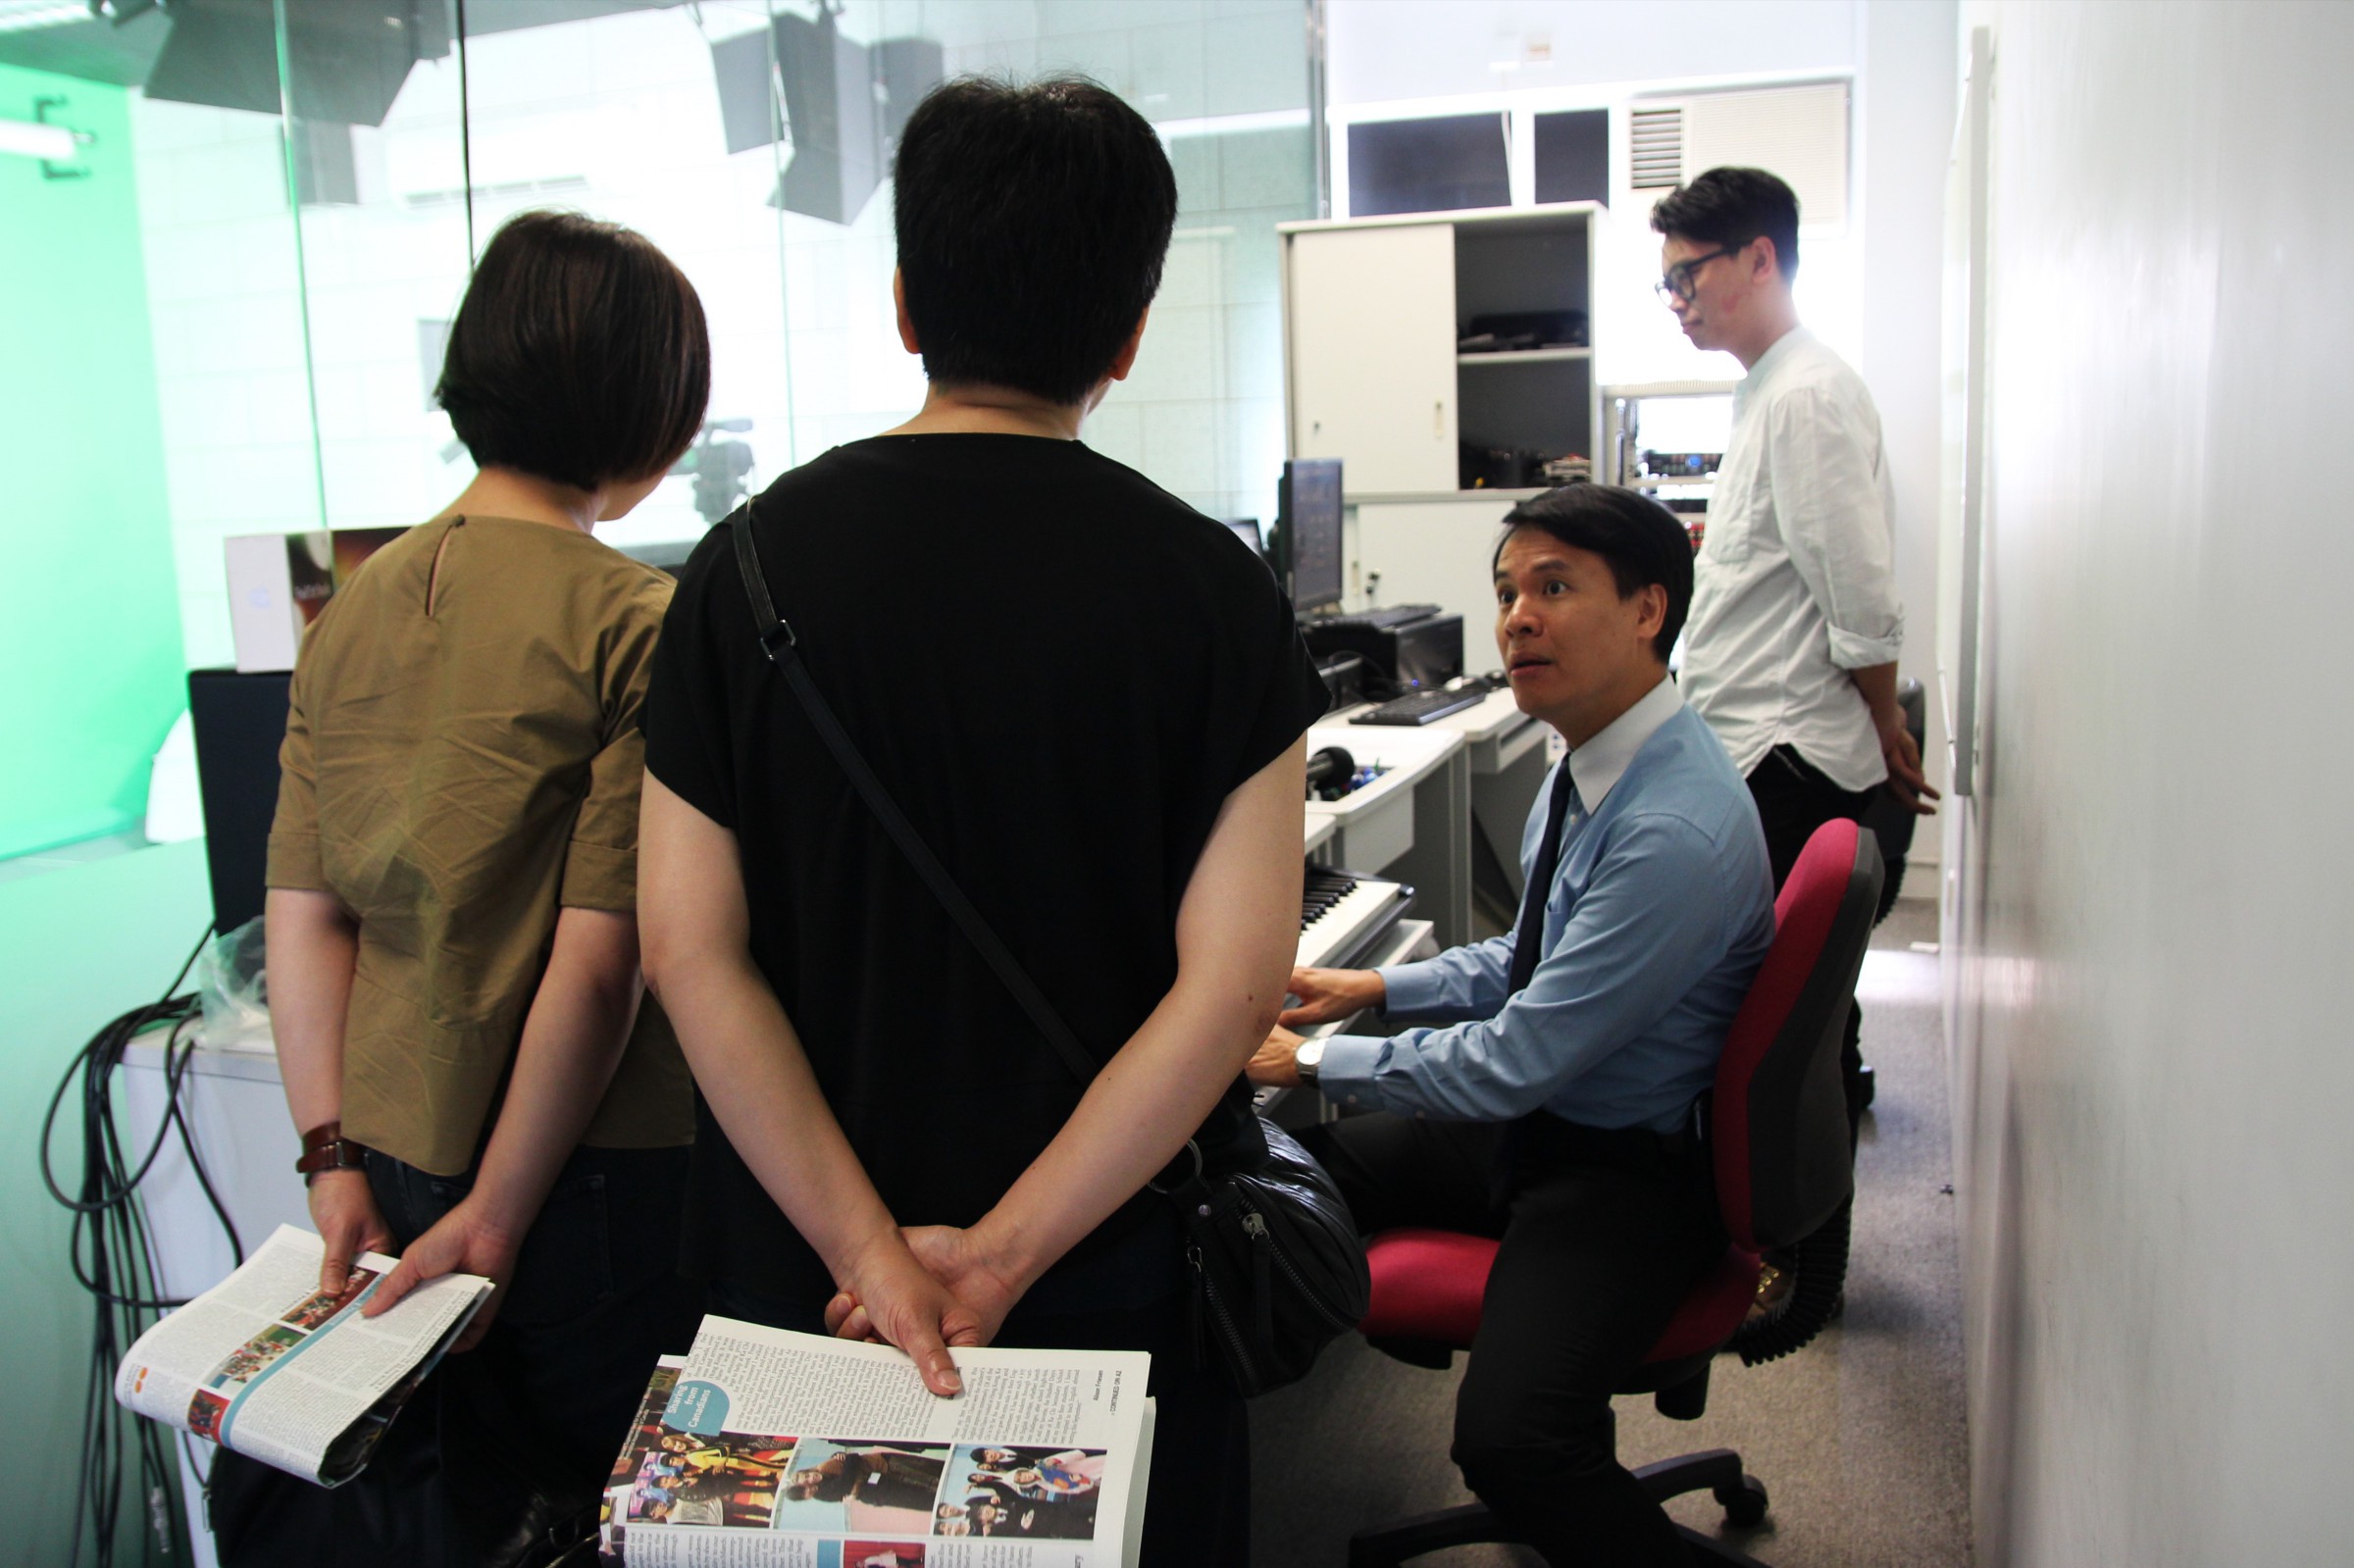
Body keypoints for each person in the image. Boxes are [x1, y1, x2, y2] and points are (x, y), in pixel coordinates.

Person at [636, 76, 1324, 1568]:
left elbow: (689, 950)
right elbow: (1236, 981)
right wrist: (999, 1257)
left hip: (806, 1289)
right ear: (1129, 334)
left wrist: (870, 1255)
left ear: (904, 303)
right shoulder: (1216, 592)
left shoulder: (735, 574)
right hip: (1109, 1273)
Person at [262, 209, 710, 1552]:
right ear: (651, 418)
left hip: (394, 1157)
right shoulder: (639, 620)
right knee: (618, 1515)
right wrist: (501, 1218)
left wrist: (332, 1159)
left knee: (472, 1512)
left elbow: (305, 914)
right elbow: (603, 962)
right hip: (586, 1177)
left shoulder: (346, 615)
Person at [1248, 484, 1775, 1568]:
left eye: (1555, 587)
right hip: (1556, 1123)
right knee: (1294, 1174)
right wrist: (1376, 988)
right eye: (1506, 593)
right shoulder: (1592, 763)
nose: (1517, 619)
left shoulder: (1669, 829)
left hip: (1625, 1171)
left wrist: (1311, 1059)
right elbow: (1533, 960)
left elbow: (1516, 1057)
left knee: (1514, 1445)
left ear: (1648, 610)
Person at [1649, 165, 1936, 1126]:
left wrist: (1885, 720)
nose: (1677, 300)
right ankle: (1811, 1167)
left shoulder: (1805, 396)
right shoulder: (1769, 391)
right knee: (1800, 1002)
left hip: (1788, 754)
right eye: (1667, 283)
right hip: (1763, 746)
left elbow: (1859, 593)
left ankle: (1801, 1197)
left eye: (1689, 275)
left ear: (1761, 259)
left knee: (1777, 1012)